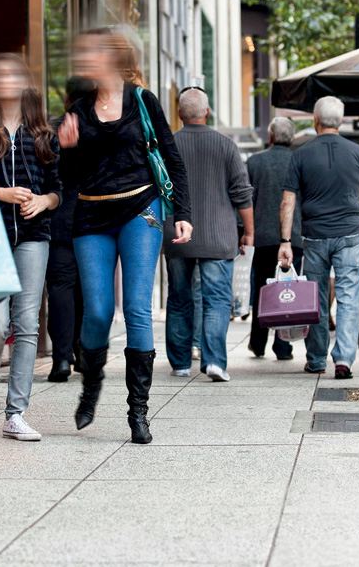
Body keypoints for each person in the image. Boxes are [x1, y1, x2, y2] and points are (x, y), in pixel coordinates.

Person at [59, 29, 192, 445]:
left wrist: (182, 214)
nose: (87, 59)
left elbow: (172, 158)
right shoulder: (78, 110)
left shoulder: (143, 101)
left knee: (136, 308)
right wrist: (67, 148)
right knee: (98, 312)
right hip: (91, 215)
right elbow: (69, 179)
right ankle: (91, 386)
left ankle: (138, 412)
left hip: (141, 210)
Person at [0, 54, 61, 441]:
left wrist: (43, 201)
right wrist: (0, 193)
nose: (5, 80)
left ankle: (15, 413)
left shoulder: (43, 134)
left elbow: (58, 190)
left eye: (12, 74)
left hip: (33, 237)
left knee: (27, 324)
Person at [279, 96, 359, 378]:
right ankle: (344, 360)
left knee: (316, 298)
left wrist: (285, 242)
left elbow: (287, 202)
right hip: (351, 235)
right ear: (342, 120)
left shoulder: (300, 154)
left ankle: (316, 359)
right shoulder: (358, 153)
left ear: (315, 120)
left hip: (314, 237)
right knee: (348, 298)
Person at [163, 87, 253, 381]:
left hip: (177, 235)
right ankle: (214, 361)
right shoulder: (226, 145)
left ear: (179, 114)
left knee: (178, 298)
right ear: (208, 112)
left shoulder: (168, 145)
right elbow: (242, 194)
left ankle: (179, 363)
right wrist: (248, 232)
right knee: (216, 300)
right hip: (218, 236)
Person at [45, 75, 90, 381]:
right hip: (92, 222)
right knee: (88, 290)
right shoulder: (101, 130)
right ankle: (83, 353)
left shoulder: (49, 130)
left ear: (66, 99)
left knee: (60, 290)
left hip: (58, 220)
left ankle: (61, 359)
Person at [247, 117, 303, 360]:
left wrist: (244, 232)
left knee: (262, 289)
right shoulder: (299, 161)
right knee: (287, 290)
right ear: (292, 139)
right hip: (294, 237)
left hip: (262, 237)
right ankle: (283, 346)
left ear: (270, 136)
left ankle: (257, 343)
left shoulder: (254, 162)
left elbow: (246, 200)